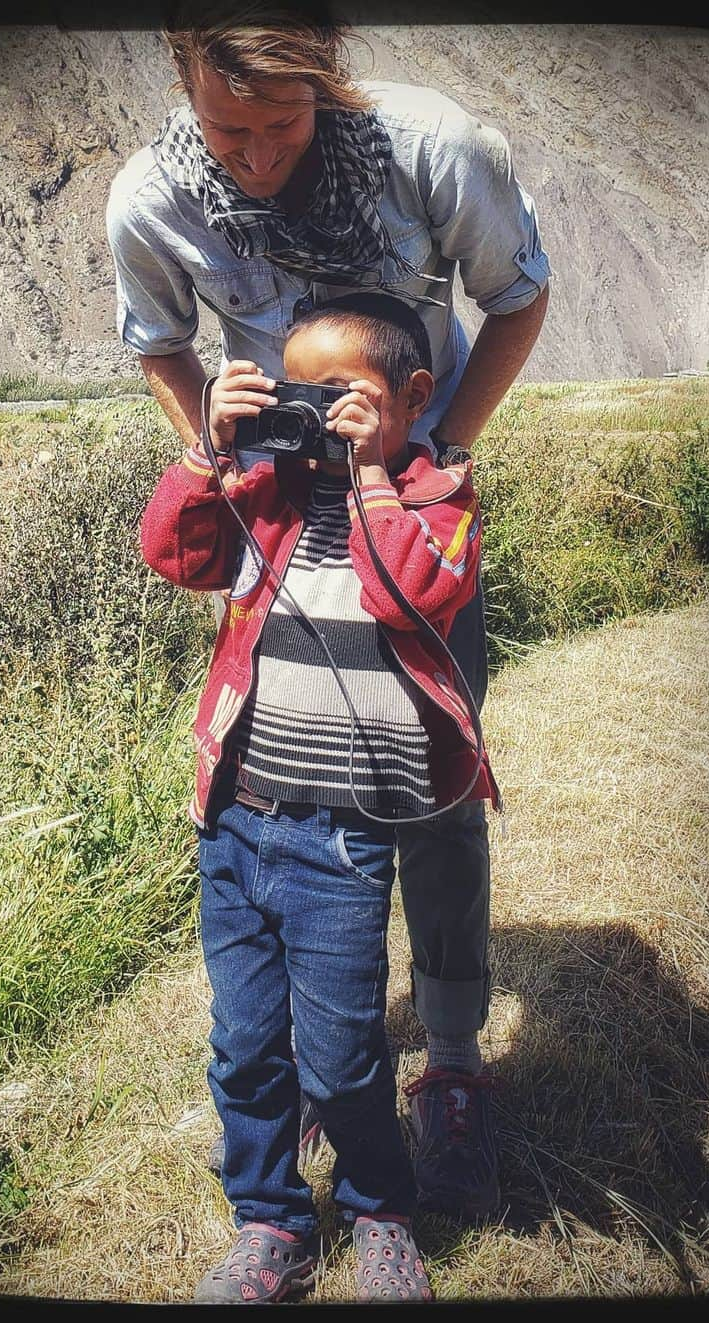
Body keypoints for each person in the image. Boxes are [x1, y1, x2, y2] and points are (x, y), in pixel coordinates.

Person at [106, 0, 551, 1218]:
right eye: (226, 131)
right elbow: (158, 339)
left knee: (435, 783)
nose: (255, 156)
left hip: (408, 516)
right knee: (291, 765)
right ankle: (321, 1059)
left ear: (329, 80)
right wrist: (221, 450)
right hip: (279, 521)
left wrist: (437, 452)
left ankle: (449, 1059)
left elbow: (517, 296)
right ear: (187, 96)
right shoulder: (154, 195)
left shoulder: (433, 148)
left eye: (282, 123)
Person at [140, 293, 497, 1302]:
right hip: (239, 818)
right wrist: (213, 453)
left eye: (344, 396)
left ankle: (381, 1209)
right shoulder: (269, 491)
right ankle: (270, 1225)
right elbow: (179, 556)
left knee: (341, 1058)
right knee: (248, 1048)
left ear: (414, 398)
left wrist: (372, 473)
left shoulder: (437, 496)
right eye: (302, 392)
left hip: (341, 840)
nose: (317, 414)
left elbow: (408, 592)